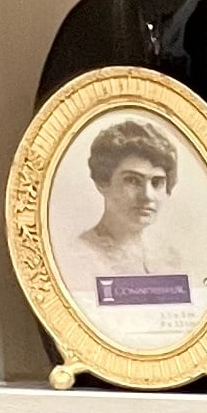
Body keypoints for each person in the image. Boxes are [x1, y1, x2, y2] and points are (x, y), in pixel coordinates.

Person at [63, 118, 189, 287]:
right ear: (102, 182)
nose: (147, 196)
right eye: (132, 180)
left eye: (157, 182)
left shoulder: (170, 258)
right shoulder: (76, 259)